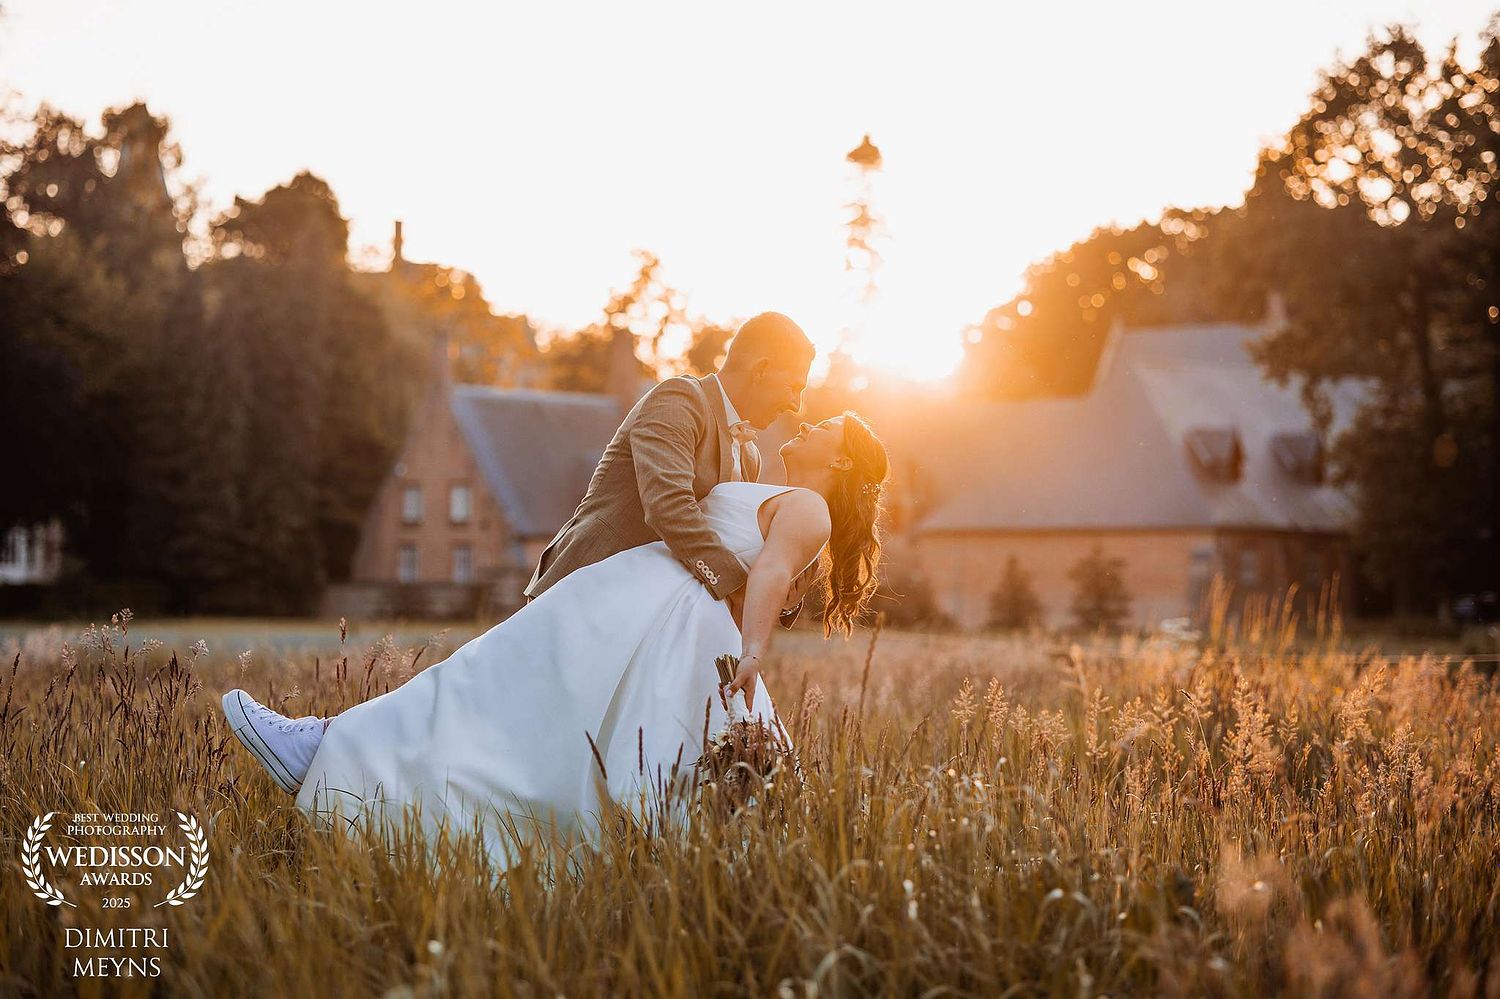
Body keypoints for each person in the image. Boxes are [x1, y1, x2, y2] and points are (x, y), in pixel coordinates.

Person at [221, 411, 890, 869]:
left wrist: (751, 653)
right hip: (638, 603)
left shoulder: (810, 506)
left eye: (824, 426)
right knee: (542, 729)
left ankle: (330, 750)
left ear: (840, 457)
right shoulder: (790, 496)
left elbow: (768, 572)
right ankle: (342, 752)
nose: (806, 424)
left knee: (493, 681)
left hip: (651, 614)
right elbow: (748, 565)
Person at [525, 310, 818, 628]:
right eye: (794, 386)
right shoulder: (679, 400)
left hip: (646, 618)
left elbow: (731, 545)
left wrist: (781, 595)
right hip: (580, 594)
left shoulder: (749, 455)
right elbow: (668, 506)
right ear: (761, 370)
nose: (796, 404)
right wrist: (737, 587)